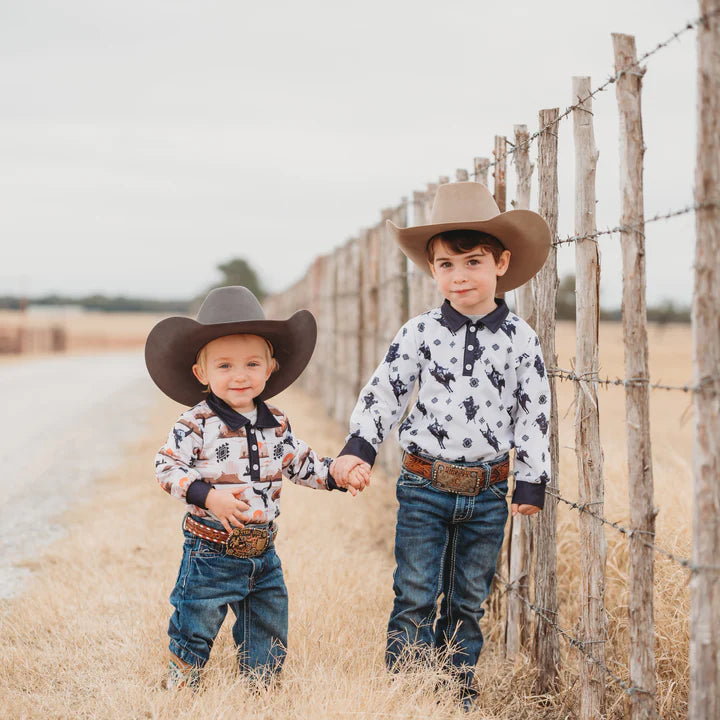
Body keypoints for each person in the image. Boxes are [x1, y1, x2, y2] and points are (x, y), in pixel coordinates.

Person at [331, 181, 552, 708]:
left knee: (469, 598)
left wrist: (532, 478)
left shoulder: (520, 338)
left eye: (472, 262)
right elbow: (385, 390)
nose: (459, 277)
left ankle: (457, 688)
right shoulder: (420, 333)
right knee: (414, 591)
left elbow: (535, 410)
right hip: (424, 483)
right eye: (446, 265)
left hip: (488, 491)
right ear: (432, 270)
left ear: (501, 263)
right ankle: (407, 687)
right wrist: (358, 450)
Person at [145, 285, 368, 690]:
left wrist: (337, 472)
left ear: (270, 368)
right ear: (202, 373)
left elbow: (301, 463)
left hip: (263, 549)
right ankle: (182, 679)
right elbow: (166, 466)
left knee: (267, 619)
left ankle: (260, 684)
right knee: (197, 616)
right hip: (211, 548)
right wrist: (207, 495)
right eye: (225, 366)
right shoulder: (196, 423)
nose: (240, 376)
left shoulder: (277, 422)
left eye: (251, 363)